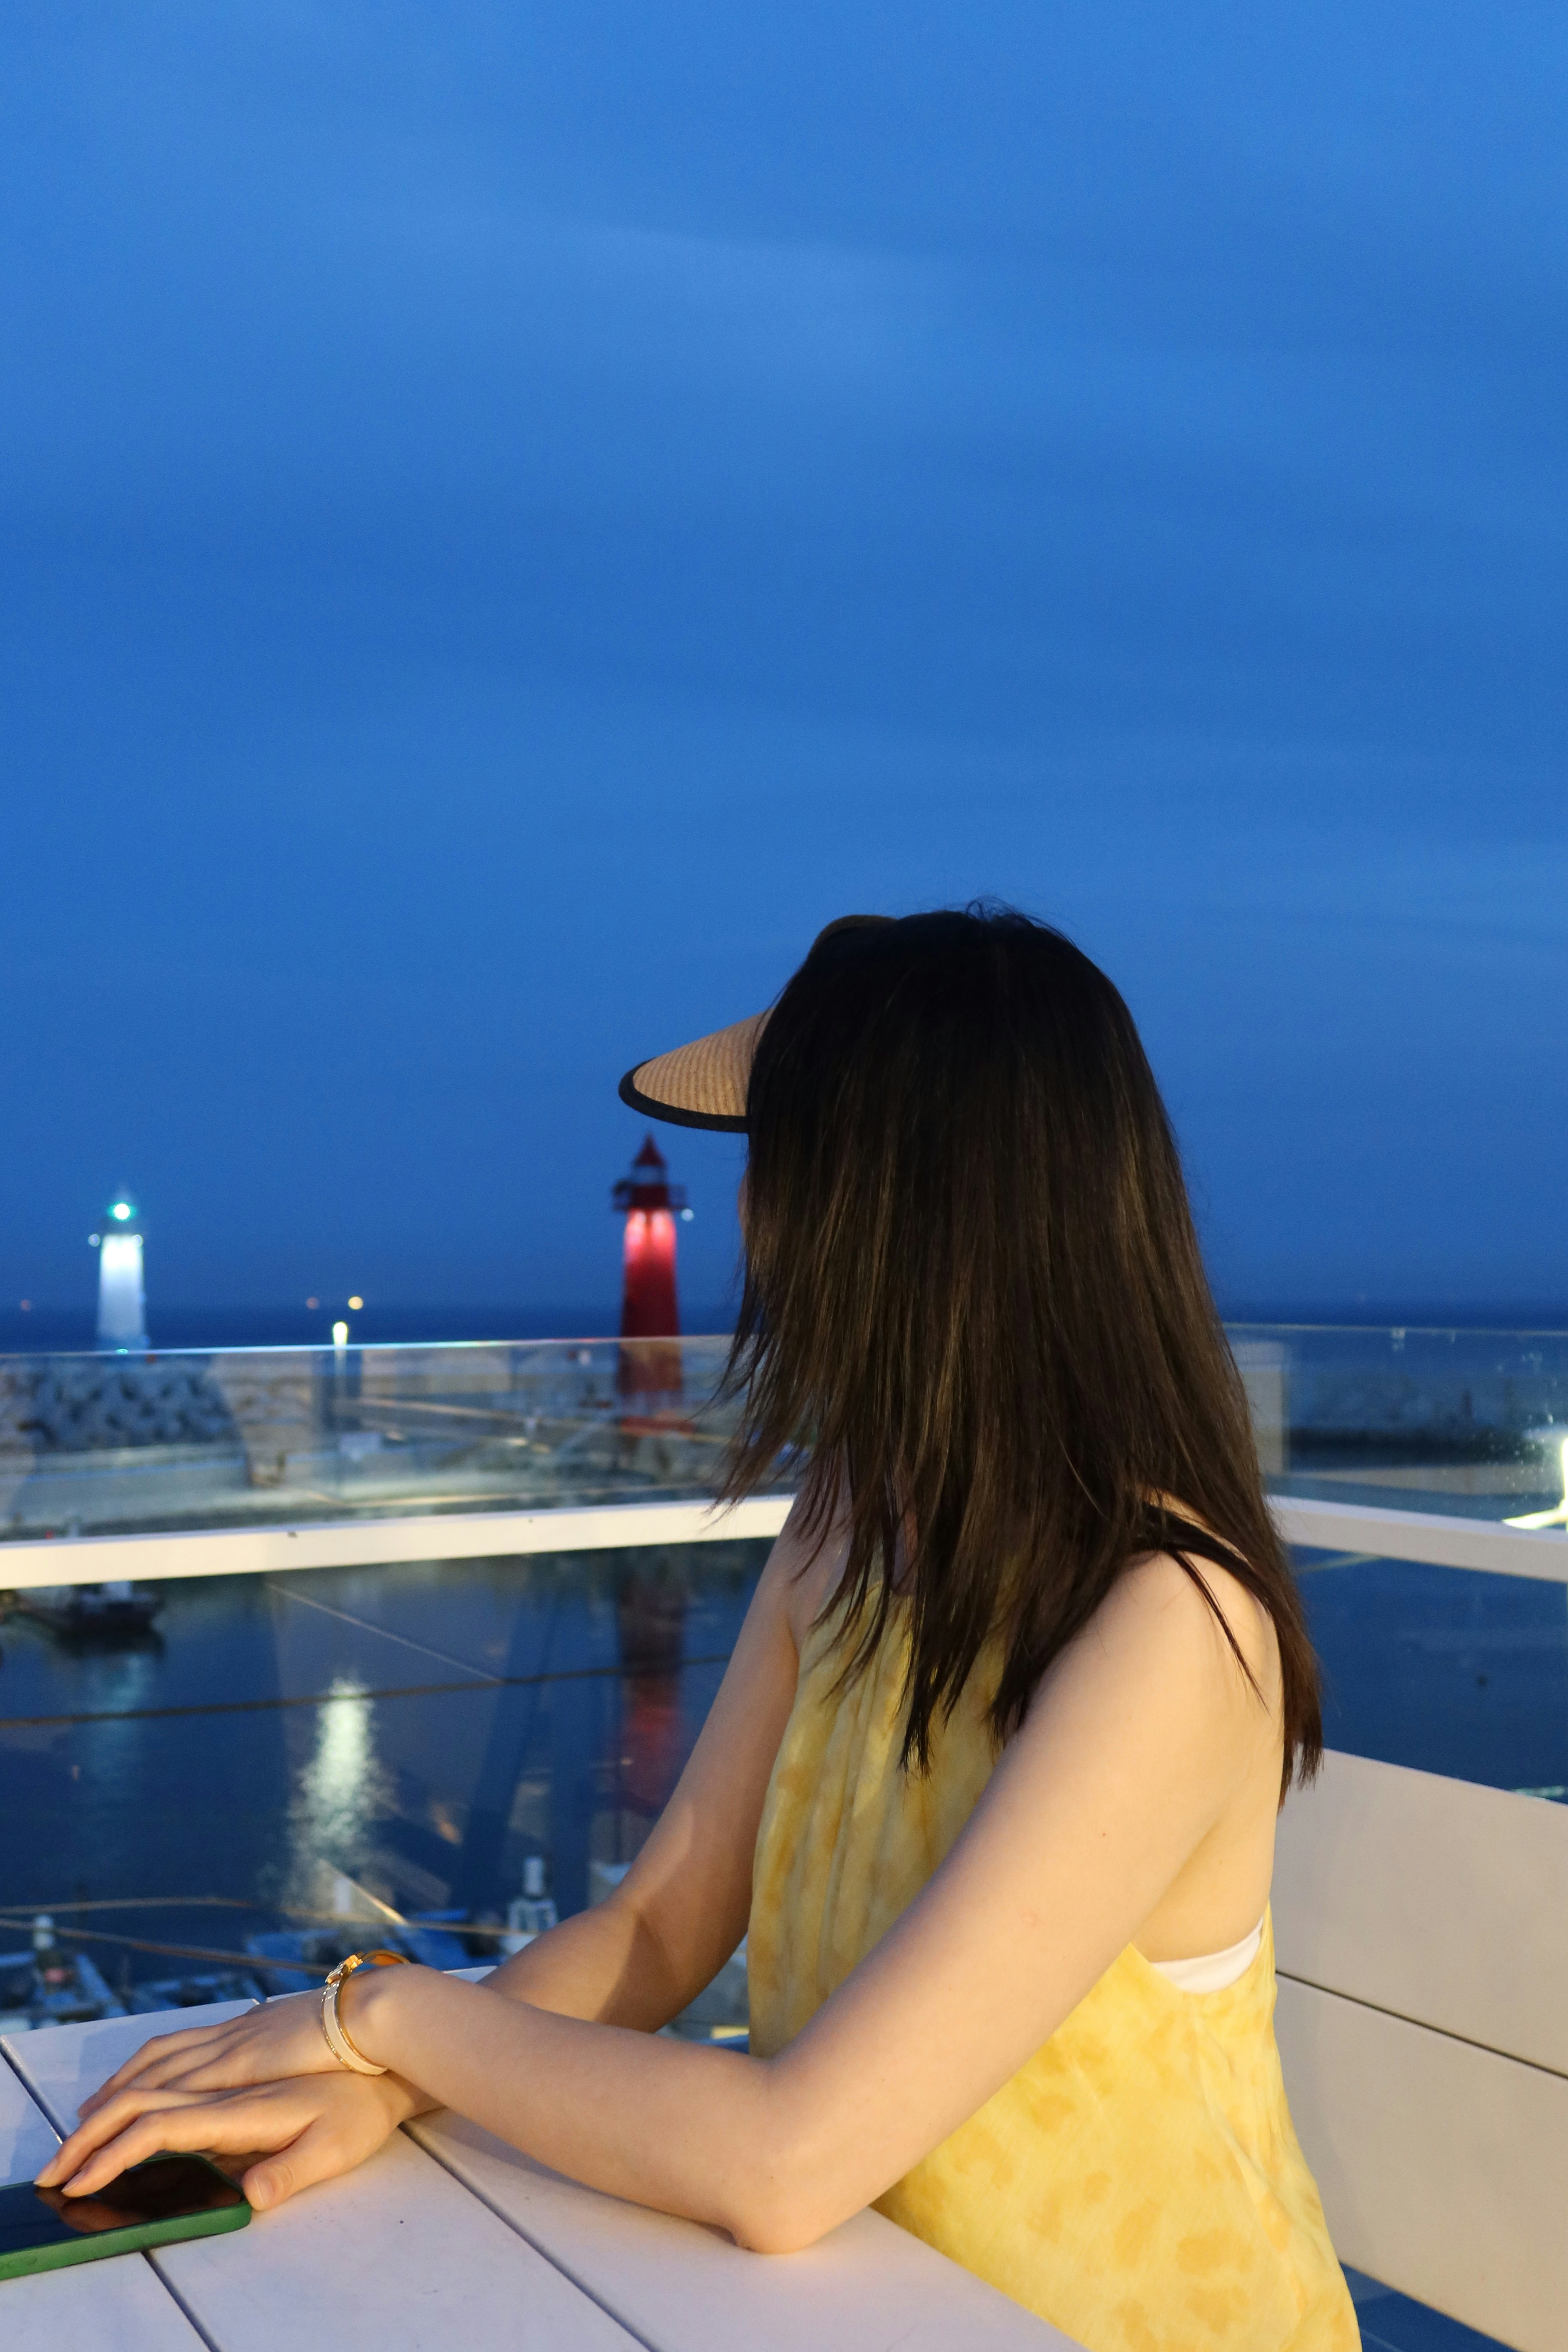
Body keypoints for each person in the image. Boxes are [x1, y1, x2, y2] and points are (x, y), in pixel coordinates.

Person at [40, 908, 1358, 2351]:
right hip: (848, 2310)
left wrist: (391, 2020)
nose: (751, 1217)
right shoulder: (860, 1521)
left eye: (784, 1161)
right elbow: (664, 1921)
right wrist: (381, 2088)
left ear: (901, 1197)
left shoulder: (1173, 1621)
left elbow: (787, 2161)